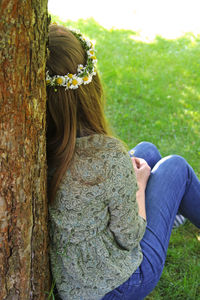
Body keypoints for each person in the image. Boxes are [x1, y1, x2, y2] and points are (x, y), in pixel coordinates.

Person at [46, 24, 200, 300]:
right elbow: (130, 237)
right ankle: (169, 212)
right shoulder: (106, 154)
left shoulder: (45, 148)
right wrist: (139, 186)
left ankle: (169, 212)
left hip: (74, 282)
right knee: (175, 167)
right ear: (91, 87)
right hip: (121, 285)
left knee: (146, 151)